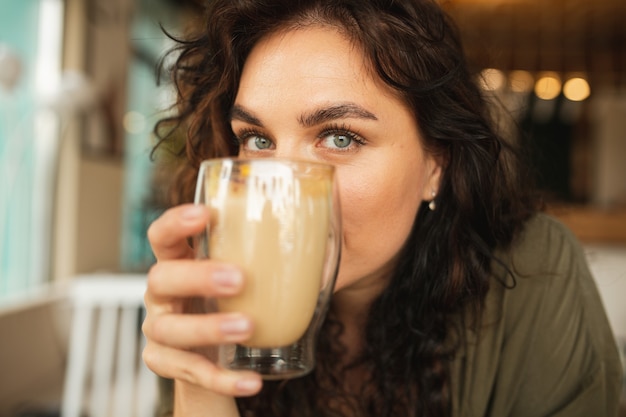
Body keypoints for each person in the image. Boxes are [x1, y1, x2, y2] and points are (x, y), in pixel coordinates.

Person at [141, 0, 623, 416]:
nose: (280, 199)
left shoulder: (537, 270)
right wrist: (200, 380)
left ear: (437, 164)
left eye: (340, 137)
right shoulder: (214, 296)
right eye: (258, 139)